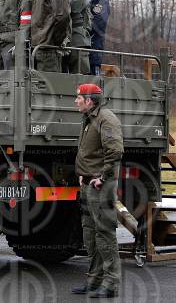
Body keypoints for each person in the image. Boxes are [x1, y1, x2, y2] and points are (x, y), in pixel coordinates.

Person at [72, 83, 122, 299]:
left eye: (78, 97)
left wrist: (102, 176)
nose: (76, 101)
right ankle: (94, 280)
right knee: (90, 234)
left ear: (89, 100)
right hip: (87, 185)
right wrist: (84, 173)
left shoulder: (106, 118)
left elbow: (115, 151)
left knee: (105, 234)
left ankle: (111, 284)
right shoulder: (89, 118)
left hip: (101, 187)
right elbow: (91, 153)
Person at [53, 0, 91, 75]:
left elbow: (75, 7)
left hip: (77, 34)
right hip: (59, 34)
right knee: (61, 77)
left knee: (80, 74)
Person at [77, 0, 110, 76]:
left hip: (91, 53)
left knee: (91, 91)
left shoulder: (100, 0)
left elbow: (97, 26)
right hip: (76, 53)